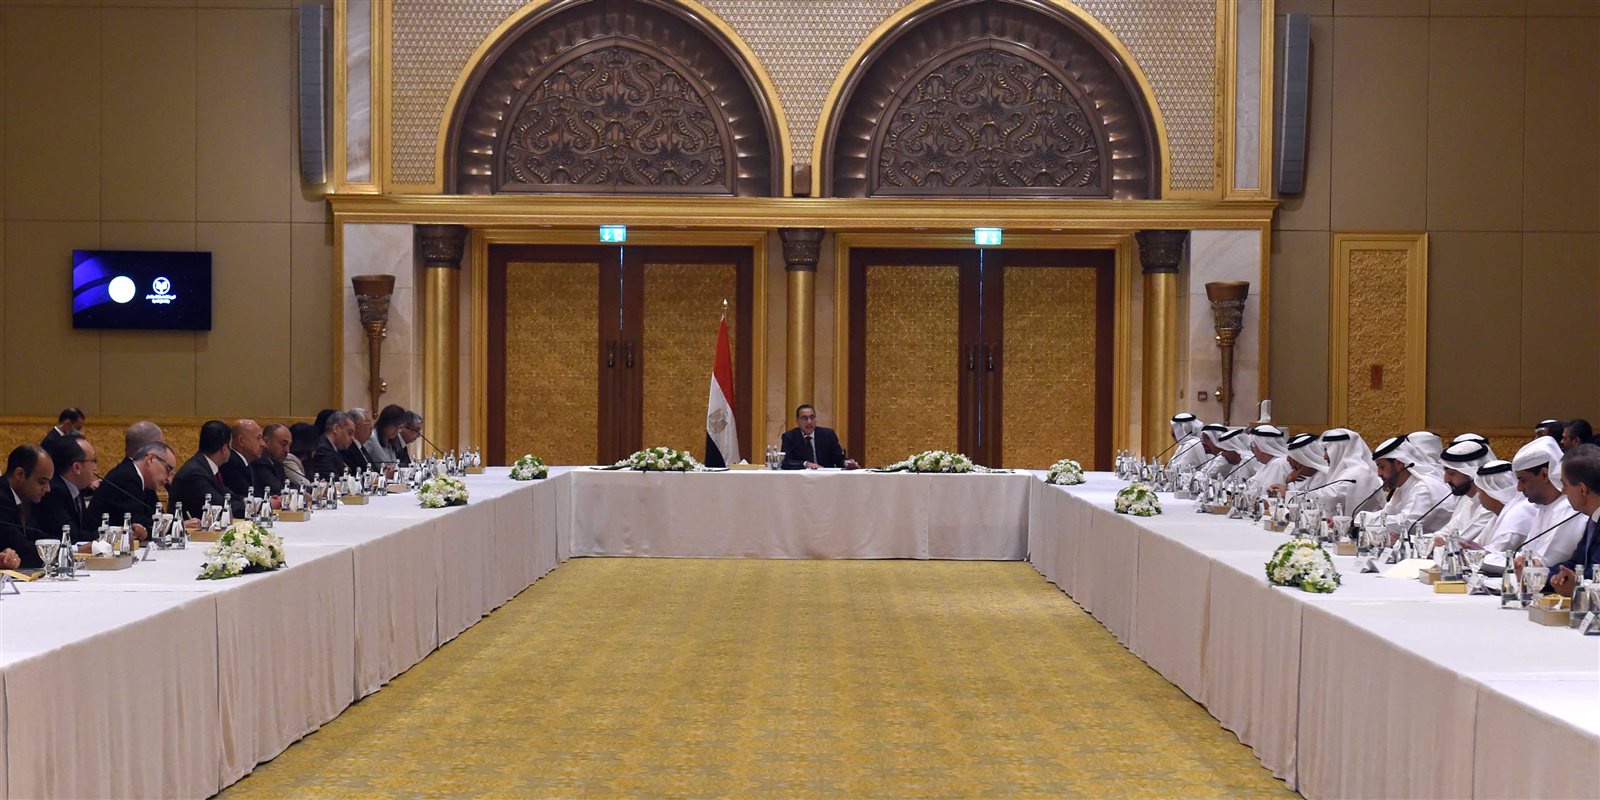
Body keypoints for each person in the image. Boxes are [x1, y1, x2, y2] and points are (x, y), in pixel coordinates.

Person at [1504, 436, 1588, 569]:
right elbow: (1525, 556)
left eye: (1523, 480)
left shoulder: (1569, 508)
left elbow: (1543, 565)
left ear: (1544, 475)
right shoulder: (1544, 508)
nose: (1519, 488)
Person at [85, 440, 174, 543]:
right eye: (168, 469)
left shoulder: (143, 480)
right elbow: (139, 525)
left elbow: (156, 519)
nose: (168, 478)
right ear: (151, 459)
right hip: (94, 545)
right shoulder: (126, 477)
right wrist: (173, 525)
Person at [1373, 435, 1455, 533]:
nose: (1379, 474)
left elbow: (1406, 523)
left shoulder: (1424, 487)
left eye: (1382, 467)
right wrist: (1360, 517)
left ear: (1399, 464)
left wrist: (1363, 520)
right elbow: (1387, 513)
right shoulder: (1403, 487)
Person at [1549, 444, 1600, 597]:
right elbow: (1575, 563)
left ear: (1582, 489)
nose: (1563, 490)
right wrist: (1542, 574)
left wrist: (1576, 584)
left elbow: (1596, 573)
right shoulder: (1593, 518)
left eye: (1565, 484)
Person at [1431, 440, 1497, 546]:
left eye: (1451, 474)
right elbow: (1443, 534)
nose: (1446, 480)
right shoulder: (1470, 501)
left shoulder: (1490, 506)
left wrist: (1440, 542)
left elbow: (1461, 543)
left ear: (1471, 474)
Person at [0, 444, 54, 569]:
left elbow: (38, 538)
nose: (48, 489)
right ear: (19, 474)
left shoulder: (24, 497)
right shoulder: (2, 499)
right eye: (42, 482)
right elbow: (23, 552)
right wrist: (57, 552)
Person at [36, 433, 96, 543]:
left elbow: (88, 527)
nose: (95, 467)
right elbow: (71, 536)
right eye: (93, 461)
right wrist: (109, 535)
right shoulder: (53, 492)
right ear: (77, 467)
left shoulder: (76, 489)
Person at [169, 420, 234, 519]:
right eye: (231, 446)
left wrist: (250, 501)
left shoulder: (204, 466)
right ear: (224, 448)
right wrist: (252, 506)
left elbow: (228, 495)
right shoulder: (194, 474)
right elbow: (221, 506)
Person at [1311, 428, 1382, 514]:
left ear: (1340, 449)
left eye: (1327, 450)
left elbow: (1331, 498)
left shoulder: (1358, 472)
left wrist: (1303, 495)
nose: (1325, 457)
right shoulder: (1345, 471)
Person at [780, 405, 858, 470]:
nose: (809, 422)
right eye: (804, 418)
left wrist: (846, 463)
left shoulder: (828, 435)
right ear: (797, 421)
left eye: (812, 417)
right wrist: (806, 464)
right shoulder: (789, 437)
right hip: (801, 479)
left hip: (826, 478)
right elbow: (786, 462)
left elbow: (839, 459)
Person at [220, 419, 264, 512]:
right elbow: (242, 495)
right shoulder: (230, 464)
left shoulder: (247, 462)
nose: (263, 444)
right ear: (241, 440)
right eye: (258, 438)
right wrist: (264, 504)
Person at [1244, 424, 1291, 497]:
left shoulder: (1279, 463)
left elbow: (1269, 492)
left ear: (1261, 446)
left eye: (1253, 446)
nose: (1252, 450)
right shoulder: (1269, 464)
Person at [309, 411, 355, 479]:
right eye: (350, 433)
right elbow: (332, 480)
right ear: (336, 429)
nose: (352, 438)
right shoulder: (322, 450)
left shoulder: (332, 448)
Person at [253, 423, 292, 496]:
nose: (287, 450)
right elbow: (278, 489)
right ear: (266, 441)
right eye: (283, 444)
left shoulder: (277, 462)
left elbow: (289, 486)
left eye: (289, 445)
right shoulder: (258, 462)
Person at [342, 408, 375, 473]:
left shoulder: (360, 446)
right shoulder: (348, 449)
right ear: (357, 427)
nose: (372, 427)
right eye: (368, 422)